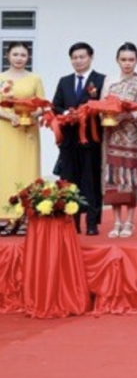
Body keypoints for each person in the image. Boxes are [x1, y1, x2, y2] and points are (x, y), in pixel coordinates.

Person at [99, 42, 137, 238]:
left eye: (131, 60)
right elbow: (101, 105)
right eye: (123, 59)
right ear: (117, 60)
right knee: (113, 177)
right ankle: (116, 221)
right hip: (113, 134)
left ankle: (130, 222)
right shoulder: (110, 82)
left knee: (131, 179)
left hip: (133, 137)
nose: (127, 63)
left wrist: (130, 116)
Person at [52, 42, 107, 235]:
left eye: (82, 57)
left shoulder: (101, 80)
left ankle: (92, 223)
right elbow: (55, 106)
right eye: (74, 57)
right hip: (69, 140)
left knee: (91, 180)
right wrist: (68, 112)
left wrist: (86, 112)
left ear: (91, 57)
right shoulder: (64, 81)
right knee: (69, 181)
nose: (78, 61)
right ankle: (71, 222)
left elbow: (105, 105)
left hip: (91, 139)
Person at [0, 42, 45, 236]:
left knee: (27, 170)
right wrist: (11, 117)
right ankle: (9, 217)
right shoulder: (1, 79)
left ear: (28, 57)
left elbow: (43, 105)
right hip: (6, 129)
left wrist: (32, 115)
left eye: (23, 55)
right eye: (15, 54)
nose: (19, 58)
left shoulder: (35, 79)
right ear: (8, 56)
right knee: (6, 171)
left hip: (27, 131)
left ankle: (26, 217)